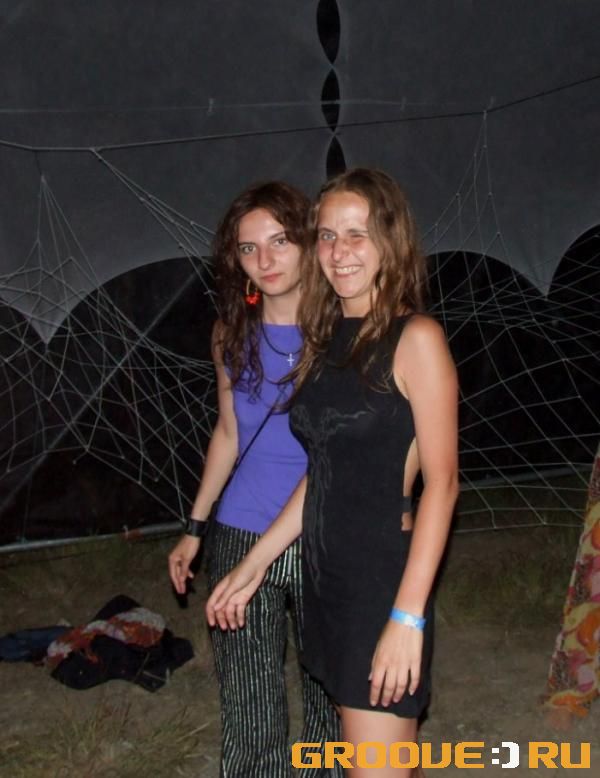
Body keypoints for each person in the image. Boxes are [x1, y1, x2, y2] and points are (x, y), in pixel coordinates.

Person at [207, 168, 459, 777]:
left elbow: (443, 486)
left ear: (390, 240)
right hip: (327, 578)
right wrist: (254, 562)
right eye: (326, 235)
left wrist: (407, 617)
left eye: (357, 234)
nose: (339, 251)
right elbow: (323, 472)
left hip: (378, 581)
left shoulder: (416, 338)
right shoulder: (328, 339)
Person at [168, 181, 341, 778]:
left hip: (321, 533)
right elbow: (228, 433)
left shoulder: (343, 335)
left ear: (309, 243)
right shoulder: (230, 333)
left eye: (279, 241)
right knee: (248, 700)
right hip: (240, 530)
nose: (264, 260)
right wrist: (195, 527)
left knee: (330, 694)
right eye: (248, 248)